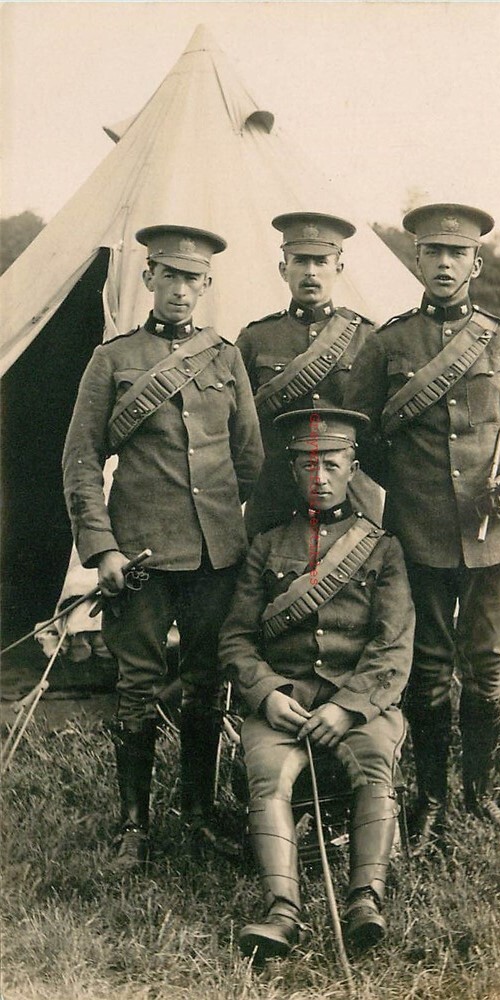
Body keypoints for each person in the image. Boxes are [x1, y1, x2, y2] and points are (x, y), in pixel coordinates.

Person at [344, 203, 500, 850]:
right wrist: (410, 490)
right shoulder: (387, 344)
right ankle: (430, 799)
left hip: (499, 538)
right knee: (430, 673)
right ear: (415, 260)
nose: (444, 263)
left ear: (476, 263)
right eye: (432, 251)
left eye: (456, 253)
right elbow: (364, 436)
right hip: (422, 536)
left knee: (488, 668)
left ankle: (479, 794)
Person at [62, 224, 264, 869]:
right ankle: (134, 827)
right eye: (170, 277)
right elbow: (80, 461)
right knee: (138, 687)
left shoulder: (224, 357)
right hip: (141, 559)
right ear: (148, 279)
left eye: (194, 279)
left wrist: (226, 528)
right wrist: (103, 550)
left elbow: (249, 457)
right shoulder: (112, 359)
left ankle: (199, 815)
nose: (181, 290)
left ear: (207, 286)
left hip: (215, 559)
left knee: (206, 685)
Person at [218, 404, 414, 959]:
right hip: (283, 705)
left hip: (360, 707)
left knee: (374, 765)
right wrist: (265, 694)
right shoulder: (264, 548)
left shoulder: (383, 548)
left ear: (353, 467)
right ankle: (283, 910)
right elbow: (236, 640)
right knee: (267, 776)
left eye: (331, 464)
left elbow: (393, 646)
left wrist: (349, 709)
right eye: (308, 466)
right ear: (292, 472)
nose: (320, 478)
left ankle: (364, 901)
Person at [236, 211, 382, 539]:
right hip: (276, 494)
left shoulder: (369, 337)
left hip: (349, 493)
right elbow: (238, 424)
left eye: (321, 261)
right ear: (283, 268)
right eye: (300, 260)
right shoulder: (255, 337)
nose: (311, 271)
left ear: (339, 269)